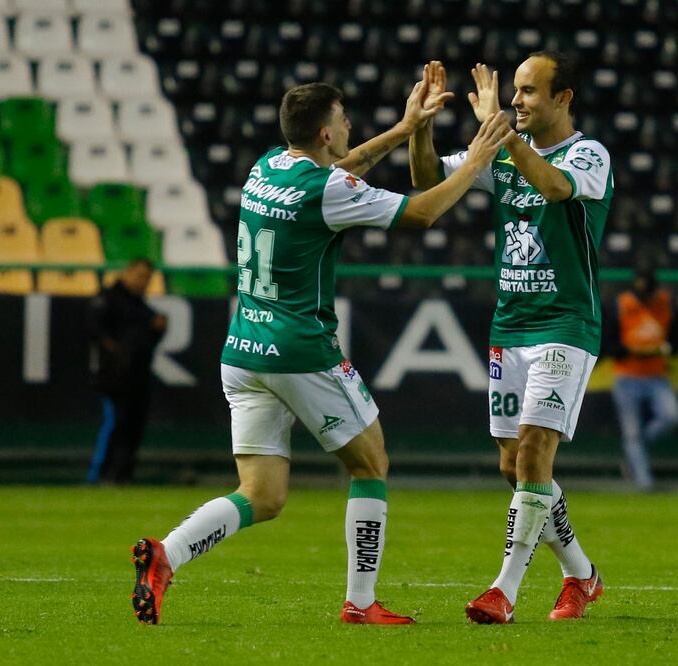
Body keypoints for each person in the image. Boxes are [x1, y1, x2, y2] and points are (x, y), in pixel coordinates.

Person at [130, 71, 515, 625]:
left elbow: (340, 173)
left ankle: (166, 555)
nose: (350, 128)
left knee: (261, 495)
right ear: (326, 133)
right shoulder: (327, 189)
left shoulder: (266, 167)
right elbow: (421, 213)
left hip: (244, 351)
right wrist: (475, 163)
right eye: (344, 121)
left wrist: (405, 129)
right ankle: (360, 602)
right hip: (301, 351)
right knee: (371, 464)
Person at [409, 54, 613, 623]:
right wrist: (421, 126)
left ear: (563, 98)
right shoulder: (501, 149)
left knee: (534, 450)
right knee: (514, 464)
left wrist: (500, 132)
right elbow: (427, 179)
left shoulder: (588, 155)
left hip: (565, 324)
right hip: (511, 324)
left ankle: (504, 590)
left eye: (528, 91)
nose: (516, 101)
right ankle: (581, 575)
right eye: (514, 91)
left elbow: (554, 187)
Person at [86, 258, 166, 485]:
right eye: (139, 275)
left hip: (137, 376)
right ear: (127, 272)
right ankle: (99, 475)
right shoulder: (109, 300)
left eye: (147, 278)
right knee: (115, 423)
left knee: (133, 426)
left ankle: (122, 475)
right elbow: (96, 331)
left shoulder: (141, 306)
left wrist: (158, 330)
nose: (143, 281)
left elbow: (145, 342)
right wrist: (115, 352)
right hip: (113, 376)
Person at [609, 267, 678, 491]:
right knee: (631, 433)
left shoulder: (665, 303)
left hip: (657, 376)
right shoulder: (622, 304)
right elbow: (611, 345)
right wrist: (635, 351)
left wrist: (663, 349)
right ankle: (645, 485)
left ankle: (634, 453)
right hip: (626, 377)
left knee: (671, 418)